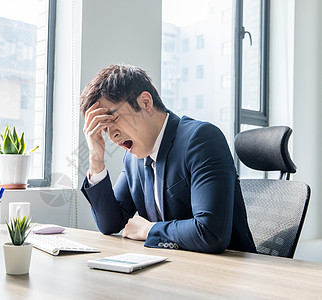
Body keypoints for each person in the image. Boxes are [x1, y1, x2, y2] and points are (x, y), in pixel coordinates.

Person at [80, 64, 256, 254]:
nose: (112, 135)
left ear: (145, 102)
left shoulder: (201, 139)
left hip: (226, 272)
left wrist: (149, 230)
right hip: (171, 269)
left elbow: (211, 233)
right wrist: (96, 159)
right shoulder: (133, 159)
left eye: (112, 119)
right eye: (104, 128)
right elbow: (110, 223)